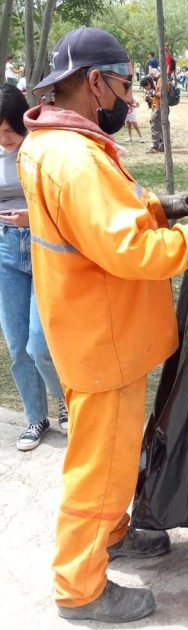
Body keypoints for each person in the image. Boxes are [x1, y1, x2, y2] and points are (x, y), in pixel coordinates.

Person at [18, 26, 188, 624]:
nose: (131, 98)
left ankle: (114, 533)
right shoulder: (73, 158)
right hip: (102, 337)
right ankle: (80, 588)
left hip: (97, 328)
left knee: (113, 451)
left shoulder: (57, 144)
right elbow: (130, 252)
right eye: (126, 85)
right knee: (98, 464)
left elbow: (106, 222)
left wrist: (163, 209)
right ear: (95, 81)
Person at [0, 85, 68, 450]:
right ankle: (34, 418)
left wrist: (34, 217)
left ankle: (67, 402)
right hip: (5, 250)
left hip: (43, 246)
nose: (4, 140)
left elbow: (65, 202)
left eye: (10, 131)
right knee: (17, 345)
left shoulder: (42, 149)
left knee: (41, 343)